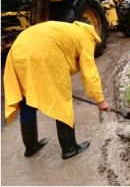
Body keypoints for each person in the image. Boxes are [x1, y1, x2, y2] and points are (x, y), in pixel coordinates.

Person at [4, 21, 110, 160]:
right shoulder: (86, 39)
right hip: (42, 54)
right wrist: (101, 101)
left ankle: (31, 147)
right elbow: (90, 73)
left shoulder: (68, 29)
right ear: (94, 36)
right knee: (62, 100)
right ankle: (69, 148)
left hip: (18, 50)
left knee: (26, 97)